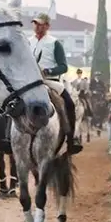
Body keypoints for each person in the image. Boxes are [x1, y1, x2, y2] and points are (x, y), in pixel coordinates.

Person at [27, 13, 84, 154]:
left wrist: (47, 71)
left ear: (47, 26)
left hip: (50, 82)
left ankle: (71, 139)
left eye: (40, 24)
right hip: (29, 82)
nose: (37, 27)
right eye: (35, 24)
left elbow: (63, 66)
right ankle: (6, 137)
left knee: (69, 104)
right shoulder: (28, 42)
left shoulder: (54, 43)